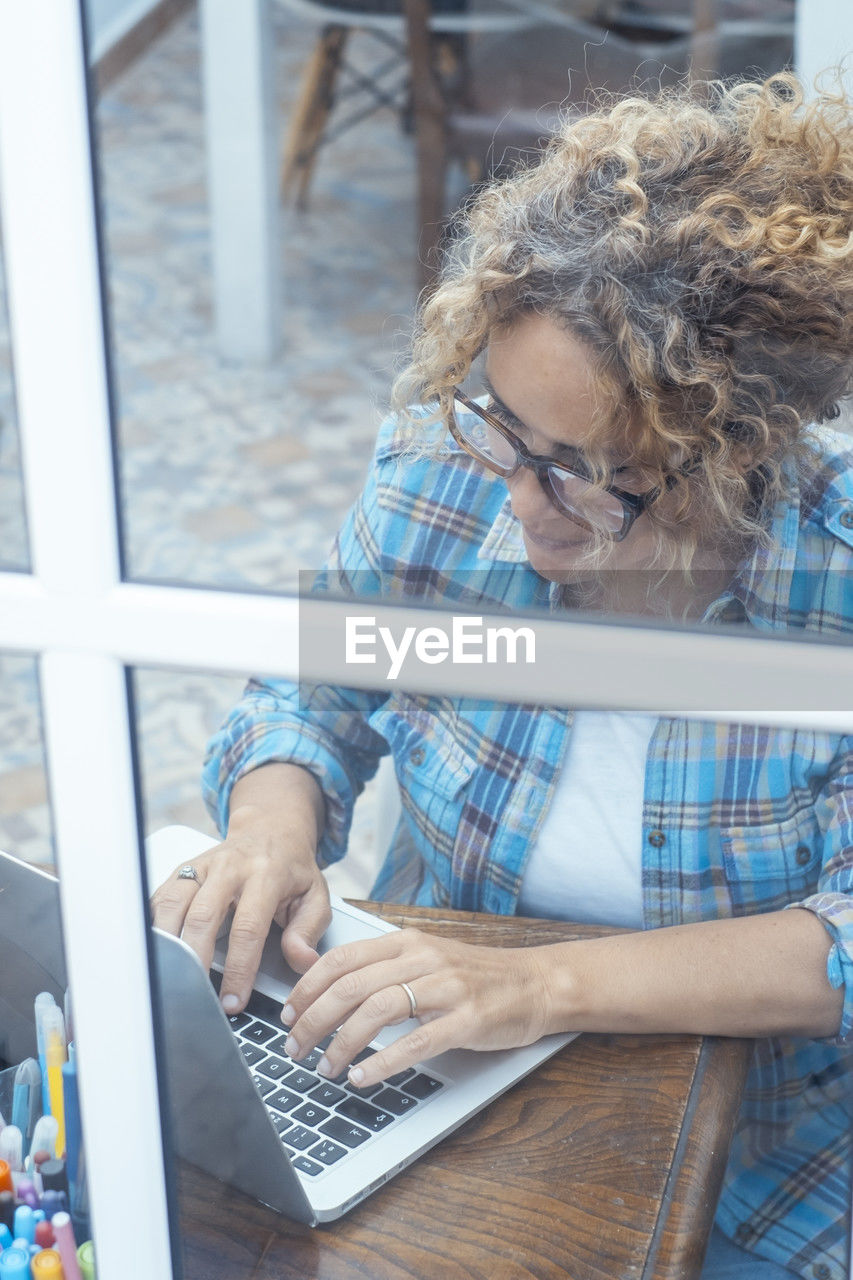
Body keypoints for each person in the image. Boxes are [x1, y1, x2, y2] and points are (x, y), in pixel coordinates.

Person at [152, 74, 853, 1279]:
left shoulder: (829, 585)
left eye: (591, 472)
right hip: (433, 1060)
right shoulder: (444, 473)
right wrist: (271, 824)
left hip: (756, 1144)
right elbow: (313, 694)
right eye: (506, 433)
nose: (523, 506)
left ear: (737, 451)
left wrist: (537, 985)